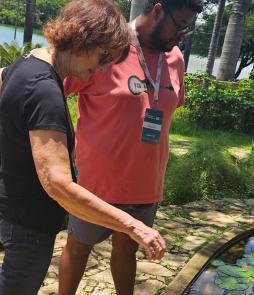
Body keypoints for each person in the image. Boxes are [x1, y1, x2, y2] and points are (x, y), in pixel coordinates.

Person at [0, 0, 166, 294]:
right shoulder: (45, 92)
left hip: (10, 208)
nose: (102, 69)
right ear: (82, 37)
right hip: (28, 224)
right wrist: (133, 225)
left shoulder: (26, 63)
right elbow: (58, 184)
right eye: (103, 57)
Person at [59, 0, 203, 294]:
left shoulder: (175, 58)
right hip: (95, 185)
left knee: (127, 252)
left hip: (145, 184)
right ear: (158, 11)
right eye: (180, 25)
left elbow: (170, 102)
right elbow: (53, 87)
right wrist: (63, 139)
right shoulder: (108, 47)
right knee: (78, 249)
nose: (182, 35)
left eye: (188, 28)